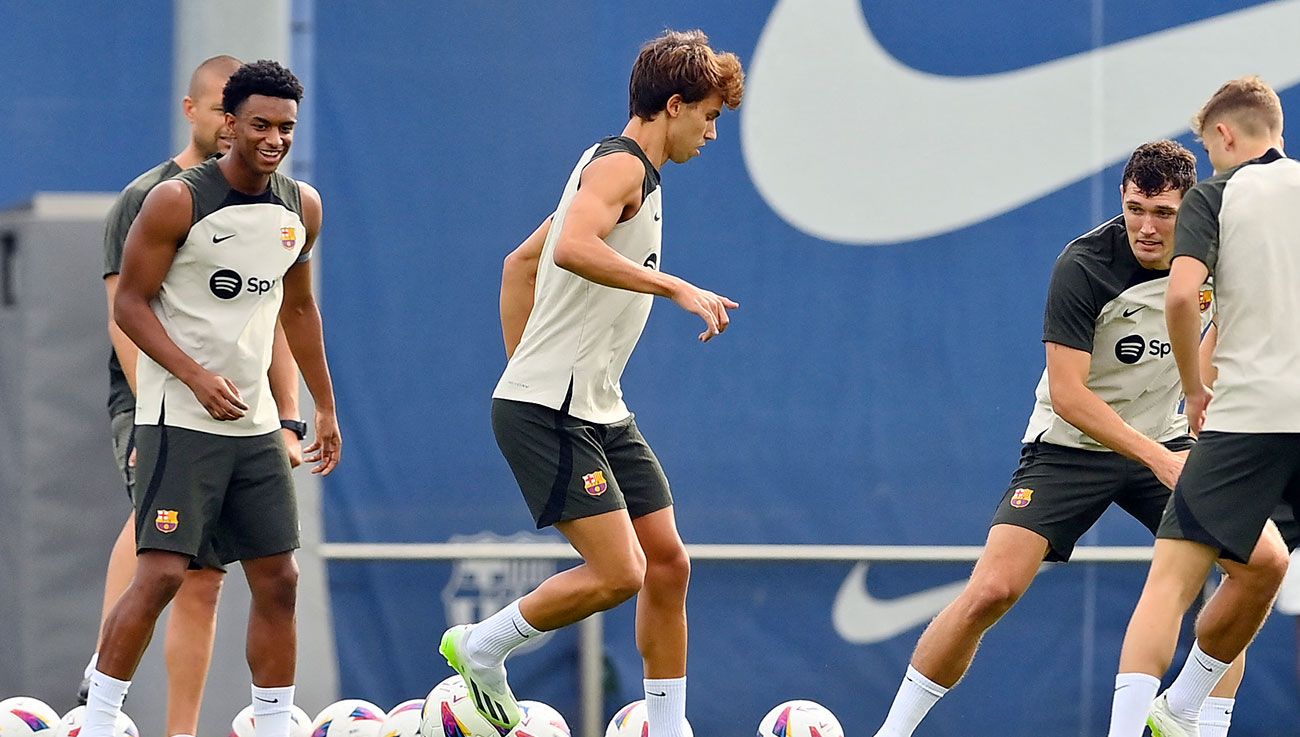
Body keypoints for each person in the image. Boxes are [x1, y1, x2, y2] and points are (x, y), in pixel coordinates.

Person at [870, 140, 1268, 737]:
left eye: (1163, 213)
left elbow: (1231, 330)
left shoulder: (1214, 258)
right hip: (1071, 447)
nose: (1147, 227)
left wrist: (1199, 407)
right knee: (992, 591)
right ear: (1122, 201)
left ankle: (1196, 723)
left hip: (1171, 442)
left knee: (1249, 567)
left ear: (1189, 210)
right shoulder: (1085, 265)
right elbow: (1069, 395)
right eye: (1136, 208)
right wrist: (1159, 457)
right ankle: (892, 732)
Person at [436, 29, 744, 737]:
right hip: (553, 411)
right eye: (709, 115)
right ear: (674, 105)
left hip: (596, 408)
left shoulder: (615, 169)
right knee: (620, 573)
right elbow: (573, 248)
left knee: (668, 562)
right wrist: (674, 286)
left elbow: (520, 263)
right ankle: (482, 646)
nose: (712, 132)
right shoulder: (619, 169)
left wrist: (525, 366)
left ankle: (666, 727)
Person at [80, 59, 341, 737]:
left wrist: (322, 408)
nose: (274, 138)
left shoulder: (302, 206)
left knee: (279, 577)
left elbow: (300, 311)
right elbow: (131, 307)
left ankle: (274, 723)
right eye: (260, 124)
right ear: (229, 124)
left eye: (286, 126)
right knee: (164, 573)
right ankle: (100, 715)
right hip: (178, 419)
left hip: (254, 429)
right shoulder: (175, 200)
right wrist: (192, 375)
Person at [1107, 76, 1299, 737]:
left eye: (1208, 148)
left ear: (1225, 135)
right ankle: (1187, 709)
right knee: (1261, 572)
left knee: (1170, 582)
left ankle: (1137, 726)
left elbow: (1183, 297)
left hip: (1246, 422)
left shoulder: (1217, 195)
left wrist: (1193, 387)